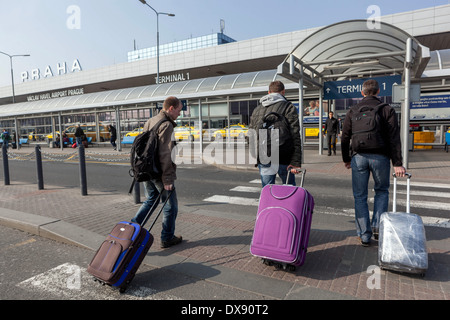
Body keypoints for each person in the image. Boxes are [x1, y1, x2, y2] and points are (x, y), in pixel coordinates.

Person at [341, 79, 406, 247]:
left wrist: (346, 159)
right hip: (380, 157)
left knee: (360, 196)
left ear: (362, 93)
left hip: (359, 157)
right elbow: (394, 138)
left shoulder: (353, 110)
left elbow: (345, 137)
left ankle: (364, 235)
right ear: (378, 92)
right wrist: (397, 163)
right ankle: (378, 227)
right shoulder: (386, 109)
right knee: (382, 191)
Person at [131, 96, 183, 248]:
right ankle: (167, 238)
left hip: (147, 169)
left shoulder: (151, 121)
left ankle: (132, 229)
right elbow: (166, 154)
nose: (180, 114)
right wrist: (167, 179)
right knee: (170, 206)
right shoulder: (166, 125)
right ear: (171, 108)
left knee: (151, 200)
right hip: (160, 173)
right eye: (179, 111)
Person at [249, 81, 302, 187]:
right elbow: (295, 134)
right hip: (284, 156)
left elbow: (251, 135)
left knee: (267, 189)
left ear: (269, 92)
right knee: (289, 188)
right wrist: (295, 161)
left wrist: (256, 156)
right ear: (283, 92)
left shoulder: (257, 109)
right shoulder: (288, 107)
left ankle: (268, 204)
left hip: (264, 156)